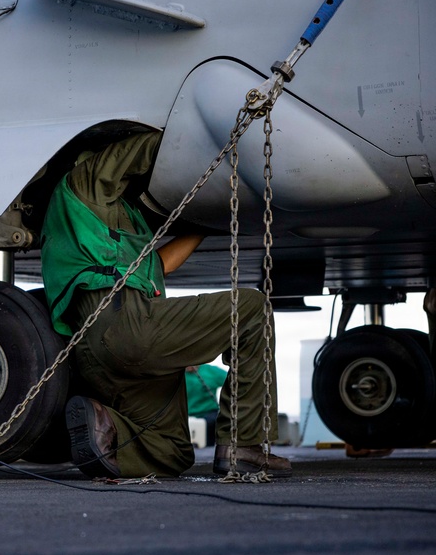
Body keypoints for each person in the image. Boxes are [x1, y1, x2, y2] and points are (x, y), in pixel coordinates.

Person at [40, 130, 291, 478]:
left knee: (172, 450)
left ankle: (106, 425)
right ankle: (242, 443)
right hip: (122, 319)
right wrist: (217, 142)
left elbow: (161, 265)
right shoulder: (82, 185)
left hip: (99, 352)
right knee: (251, 309)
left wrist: (209, 220)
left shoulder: (108, 230)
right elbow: (139, 150)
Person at [185, 364, 227, 447]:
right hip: (185, 417)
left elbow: (233, 383)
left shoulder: (211, 371)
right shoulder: (175, 375)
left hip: (208, 415)